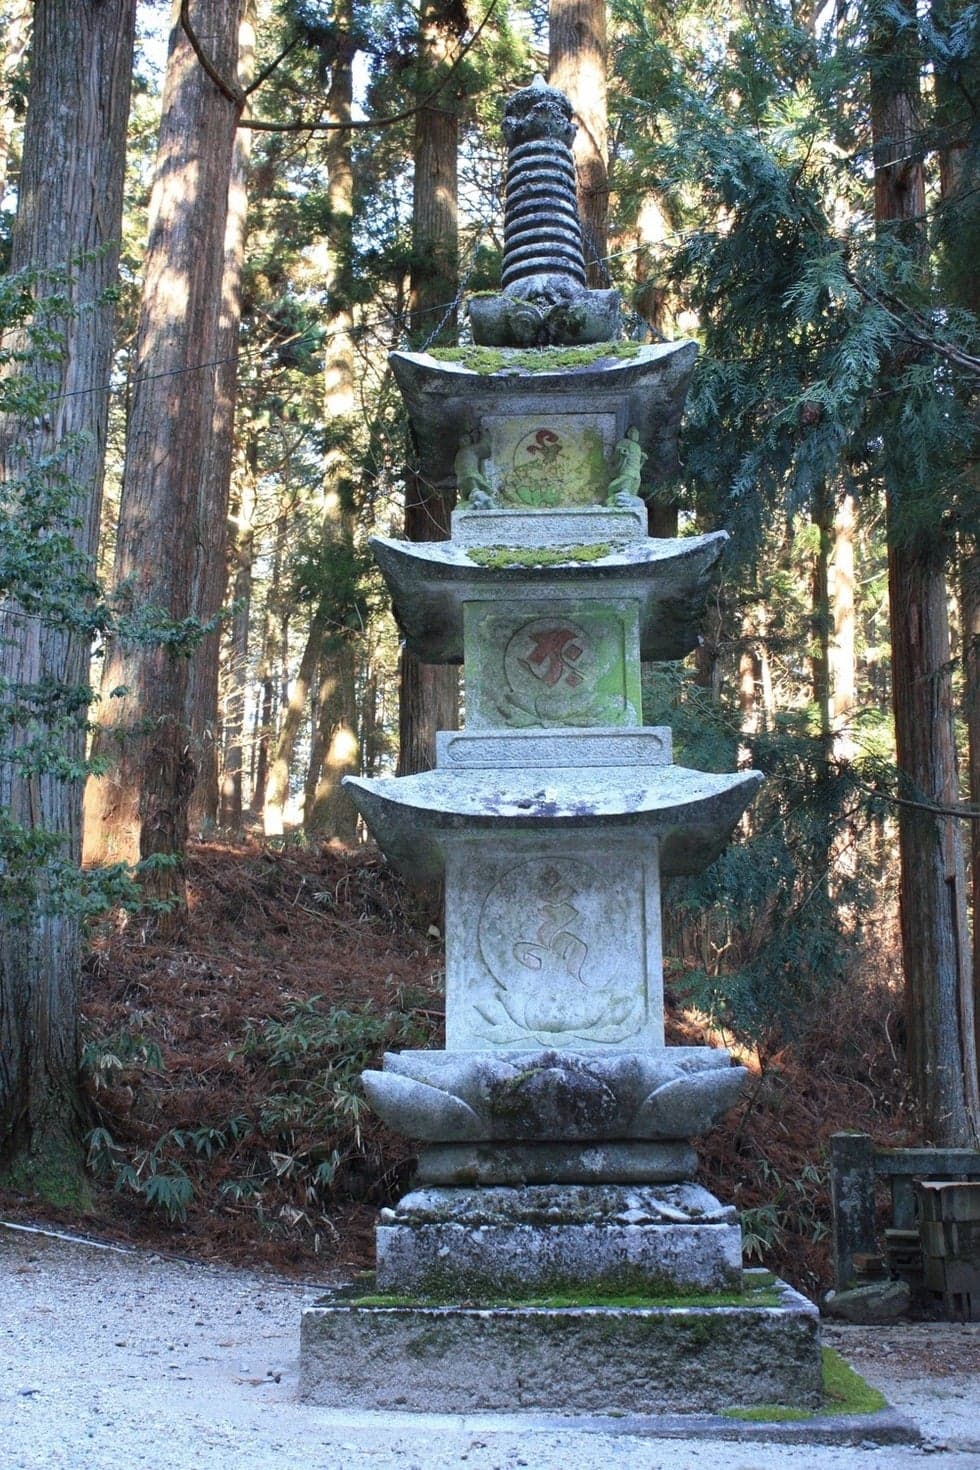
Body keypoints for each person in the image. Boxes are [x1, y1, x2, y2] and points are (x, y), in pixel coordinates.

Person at [606, 426, 646, 505]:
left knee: (633, 491)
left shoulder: (638, 447)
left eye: (637, 434)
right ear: (629, 433)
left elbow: (637, 463)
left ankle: (627, 499)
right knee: (624, 484)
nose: (636, 435)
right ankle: (620, 496)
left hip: (636, 473)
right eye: (634, 433)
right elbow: (617, 452)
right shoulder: (624, 442)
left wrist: (642, 459)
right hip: (628, 470)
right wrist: (622, 452)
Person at [455, 429, 495, 505]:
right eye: (461, 440)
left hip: (471, 475)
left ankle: (477, 496)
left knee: (473, 485)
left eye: (465, 439)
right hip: (462, 478)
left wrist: (484, 434)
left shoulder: (471, 449)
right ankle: (473, 497)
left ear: (470, 441)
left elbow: (485, 449)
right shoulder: (460, 453)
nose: (463, 441)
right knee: (468, 489)